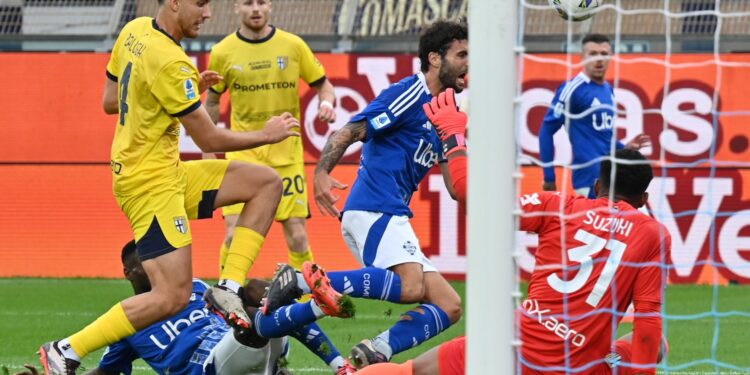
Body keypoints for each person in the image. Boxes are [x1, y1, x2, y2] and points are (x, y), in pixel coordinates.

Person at [38, 1, 303, 373]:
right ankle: (66, 349)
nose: (208, 14)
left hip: (166, 172)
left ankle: (227, 286)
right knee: (172, 296)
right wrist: (267, 134)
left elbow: (110, 101)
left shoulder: (134, 31)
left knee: (266, 183)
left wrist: (186, 90)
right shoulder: (172, 62)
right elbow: (208, 137)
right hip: (149, 184)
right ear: (174, 2)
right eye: (200, 4)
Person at [358, 92, 670, 374]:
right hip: (579, 366)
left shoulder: (559, 206)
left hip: (513, 351)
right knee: (659, 345)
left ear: (598, 187)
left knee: (413, 371)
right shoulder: (653, 235)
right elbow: (647, 326)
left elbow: (473, 197)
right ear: (644, 200)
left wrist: (454, 138)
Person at [307, 20, 467, 369]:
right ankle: (304, 280)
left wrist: (460, 145)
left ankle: (375, 350)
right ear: (436, 59)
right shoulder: (410, 93)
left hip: (390, 212)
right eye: (462, 54)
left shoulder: (445, 113)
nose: (469, 63)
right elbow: (350, 130)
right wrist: (321, 174)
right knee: (410, 287)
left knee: (449, 304)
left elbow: (456, 189)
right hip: (374, 207)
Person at [33, 241, 356, 375]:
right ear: (128, 272)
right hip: (208, 368)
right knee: (261, 320)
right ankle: (313, 303)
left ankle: (342, 366)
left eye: (159, 259)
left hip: (241, 348)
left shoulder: (196, 286)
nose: (159, 266)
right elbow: (104, 372)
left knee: (264, 308)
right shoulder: (126, 321)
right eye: (147, 264)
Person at [205, 0, 337, 272]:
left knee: (298, 237)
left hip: (285, 156)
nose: (255, 8)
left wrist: (327, 103)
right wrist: (208, 147)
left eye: (261, 2)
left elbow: (324, 85)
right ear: (236, 8)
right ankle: (226, 297)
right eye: (248, 3)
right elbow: (213, 101)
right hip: (244, 155)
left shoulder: (293, 45)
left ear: (270, 7)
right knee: (233, 234)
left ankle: (303, 302)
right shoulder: (222, 51)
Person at [539, 33, 650, 198]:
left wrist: (624, 147)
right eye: (593, 54)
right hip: (589, 179)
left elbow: (601, 137)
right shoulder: (572, 88)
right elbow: (546, 131)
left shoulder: (608, 89)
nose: (599, 59)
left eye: (604, 54)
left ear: (611, 56)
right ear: (583, 57)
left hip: (610, 176)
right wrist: (549, 177)